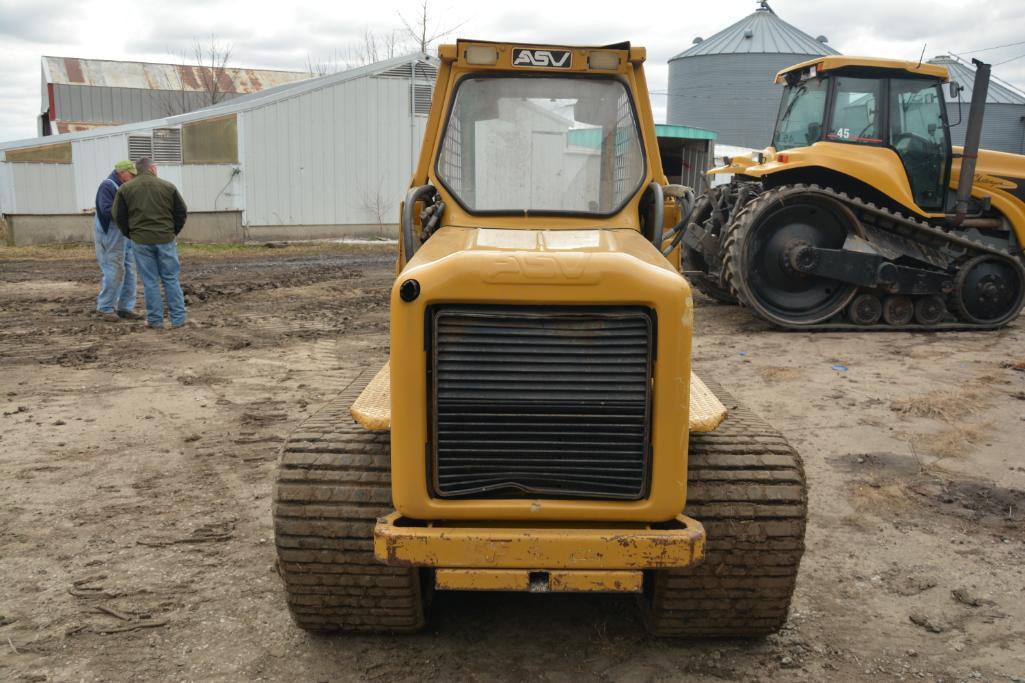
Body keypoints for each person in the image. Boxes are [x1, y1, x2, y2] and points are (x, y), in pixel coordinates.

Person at [112, 157, 189, 330]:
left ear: (137, 170)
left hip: (141, 241)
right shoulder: (168, 186)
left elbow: (119, 216)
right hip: (165, 239)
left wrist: (130, 234)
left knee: (150, 281)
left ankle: (155, 320)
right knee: (170, 279)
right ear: (152, 169)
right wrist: (172, 232)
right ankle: (178, 319)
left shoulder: (125, 189)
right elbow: (181, 212)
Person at [93, 160, 140, 321]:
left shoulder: (123, 186)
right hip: (110, 235)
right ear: (122, 172)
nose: (133, 177)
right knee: (114, 269)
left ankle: (125, 307)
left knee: (129, 270)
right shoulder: (108, 186)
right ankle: (105, 307)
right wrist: (127, 213)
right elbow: (106, 211)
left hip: (124, 235)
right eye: (131, 174)